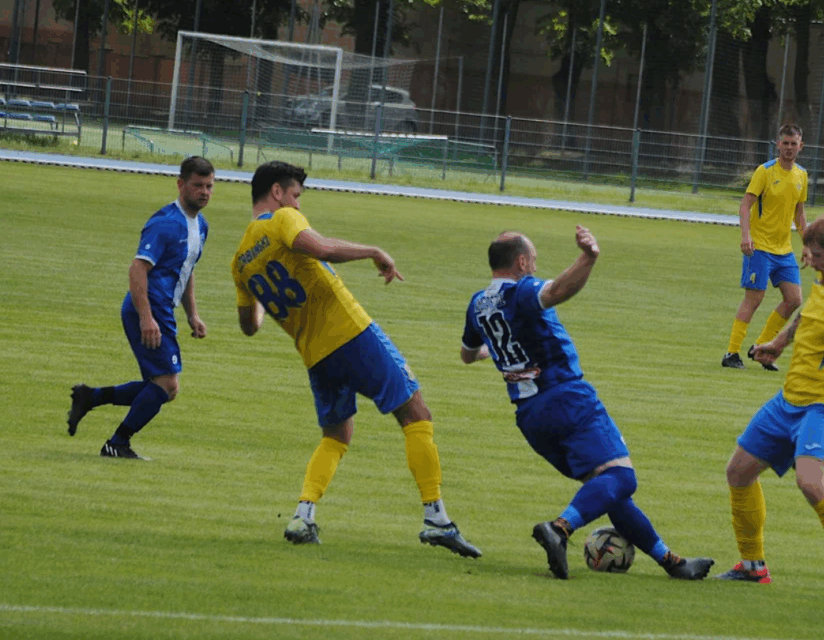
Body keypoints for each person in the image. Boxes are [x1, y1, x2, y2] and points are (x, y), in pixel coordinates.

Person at [230, 161, 480, 557]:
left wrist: (264, 298)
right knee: (416, 413)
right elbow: (323, 248)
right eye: (295, 195)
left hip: (315, 355)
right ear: (277, 192)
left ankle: (303, 515)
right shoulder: (281, 220)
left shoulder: (241, 260)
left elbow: (249, 326)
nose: (297, 205)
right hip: (351, 333)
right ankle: (436, 519)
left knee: (336, 435)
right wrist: (373, 251)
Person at [460, 226, 715, 580]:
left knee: (605, 489)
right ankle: (560, 528)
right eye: (533, 260)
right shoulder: (522, 290)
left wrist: (499, 353)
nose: (535, 266)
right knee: (621, 477)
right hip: (566, 398)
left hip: (530, 417)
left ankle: (672, 562)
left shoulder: (477, 303)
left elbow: (468, 354)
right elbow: (557, 290)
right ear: (521, 262)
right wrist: (589, 257)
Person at [718, 212, 824, 603]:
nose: (810, 263)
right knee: (738, 472)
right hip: (788, 400)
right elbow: (807, 316)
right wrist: (778, 343)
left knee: (812, 483)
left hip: (823, 408)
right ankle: (752, 566)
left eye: (816, 256)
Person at [66, 156, 215, 460]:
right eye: (197, 185)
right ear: (180, 185)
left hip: (162, 309)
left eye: (209, 186)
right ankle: (117, 443)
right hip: (147, 308)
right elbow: (137, 269)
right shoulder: (165, 223)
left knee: (164, 388)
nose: (204, 192)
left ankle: (90, 397)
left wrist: (192, 314)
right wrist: (147, 318)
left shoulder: (201, 225)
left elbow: (186, 269)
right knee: (166, 384)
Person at [722, 123, 808, 371]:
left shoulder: (802, 175)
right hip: (759, 247)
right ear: (778, 144)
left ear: (800, 146)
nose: (789, 148)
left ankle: (760, 348)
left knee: (794, 299)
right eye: (785, 143)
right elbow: (745, 205)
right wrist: (745, 235)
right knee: (754, 299)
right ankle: (731, 353)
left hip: (784, 250)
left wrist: (808, 244)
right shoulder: (765, 171)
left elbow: (799, 213)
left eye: (793, 144)